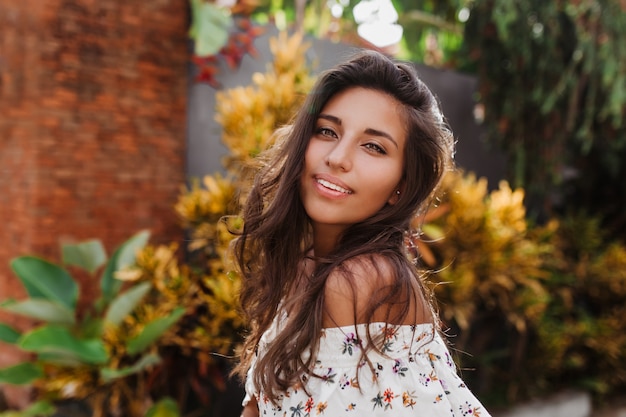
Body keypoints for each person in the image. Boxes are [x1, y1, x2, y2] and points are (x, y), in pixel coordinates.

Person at [232, 50, 491, 417]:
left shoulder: (360, 280)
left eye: (373, 146)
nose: (338, 157)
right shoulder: (302, 266)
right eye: (327, 131)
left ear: (401, 185)